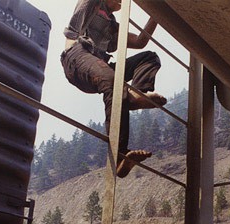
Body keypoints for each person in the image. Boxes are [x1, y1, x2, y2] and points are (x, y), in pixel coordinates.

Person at [61, 0, 167, 178]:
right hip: (76, 58)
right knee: (112, 80)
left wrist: (156, 15)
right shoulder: (92, 5)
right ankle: (119, 156)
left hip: (100, 67)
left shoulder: (113, 27)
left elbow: (140, 41)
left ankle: (136, 94)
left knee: (149, 57)